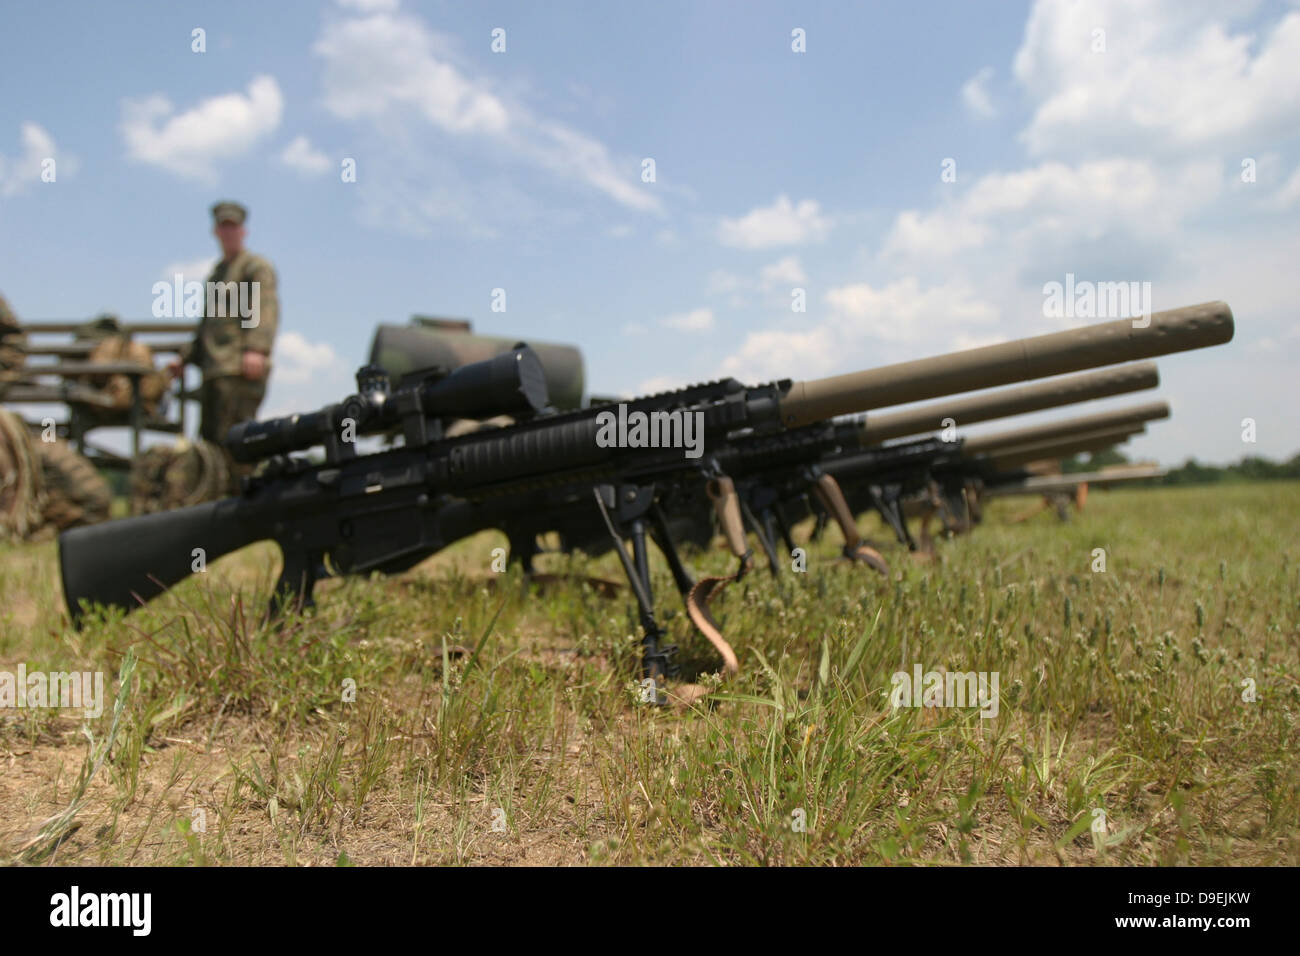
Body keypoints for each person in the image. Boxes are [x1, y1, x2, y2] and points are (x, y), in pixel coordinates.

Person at [167, 201, 278, 485]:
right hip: (215, 371)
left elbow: (264, 309)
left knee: (239, 443)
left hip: (239, 370)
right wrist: (185, 359)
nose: (228, 232)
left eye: (233, 226)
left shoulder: (254, 267)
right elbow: (208, 326)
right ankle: (217, 508)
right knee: (212, 445)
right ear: (215, 231)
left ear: (244, 231)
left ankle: (246, 507)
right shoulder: (218, 273)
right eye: (223, 227)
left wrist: (257, 349)